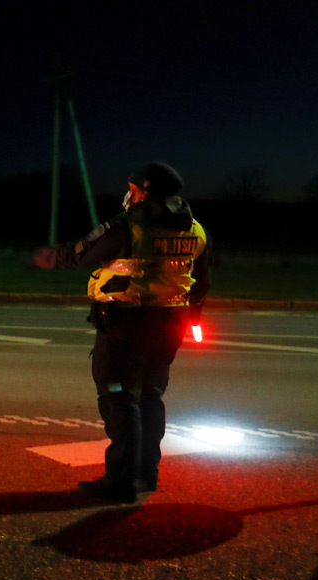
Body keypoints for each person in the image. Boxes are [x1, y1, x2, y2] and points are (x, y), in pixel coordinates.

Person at [32, 162, 211, 502]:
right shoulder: (197, 230)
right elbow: (200, 281)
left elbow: (81, 255)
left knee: (119, 399)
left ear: (144, 191)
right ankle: (146, 474)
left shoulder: (128, 226)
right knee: (150, 397)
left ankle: (120, 483)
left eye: (132, 189)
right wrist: (194, 317)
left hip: (127, 326)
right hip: (170, 325)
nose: (128, 194)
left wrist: (46, 258)